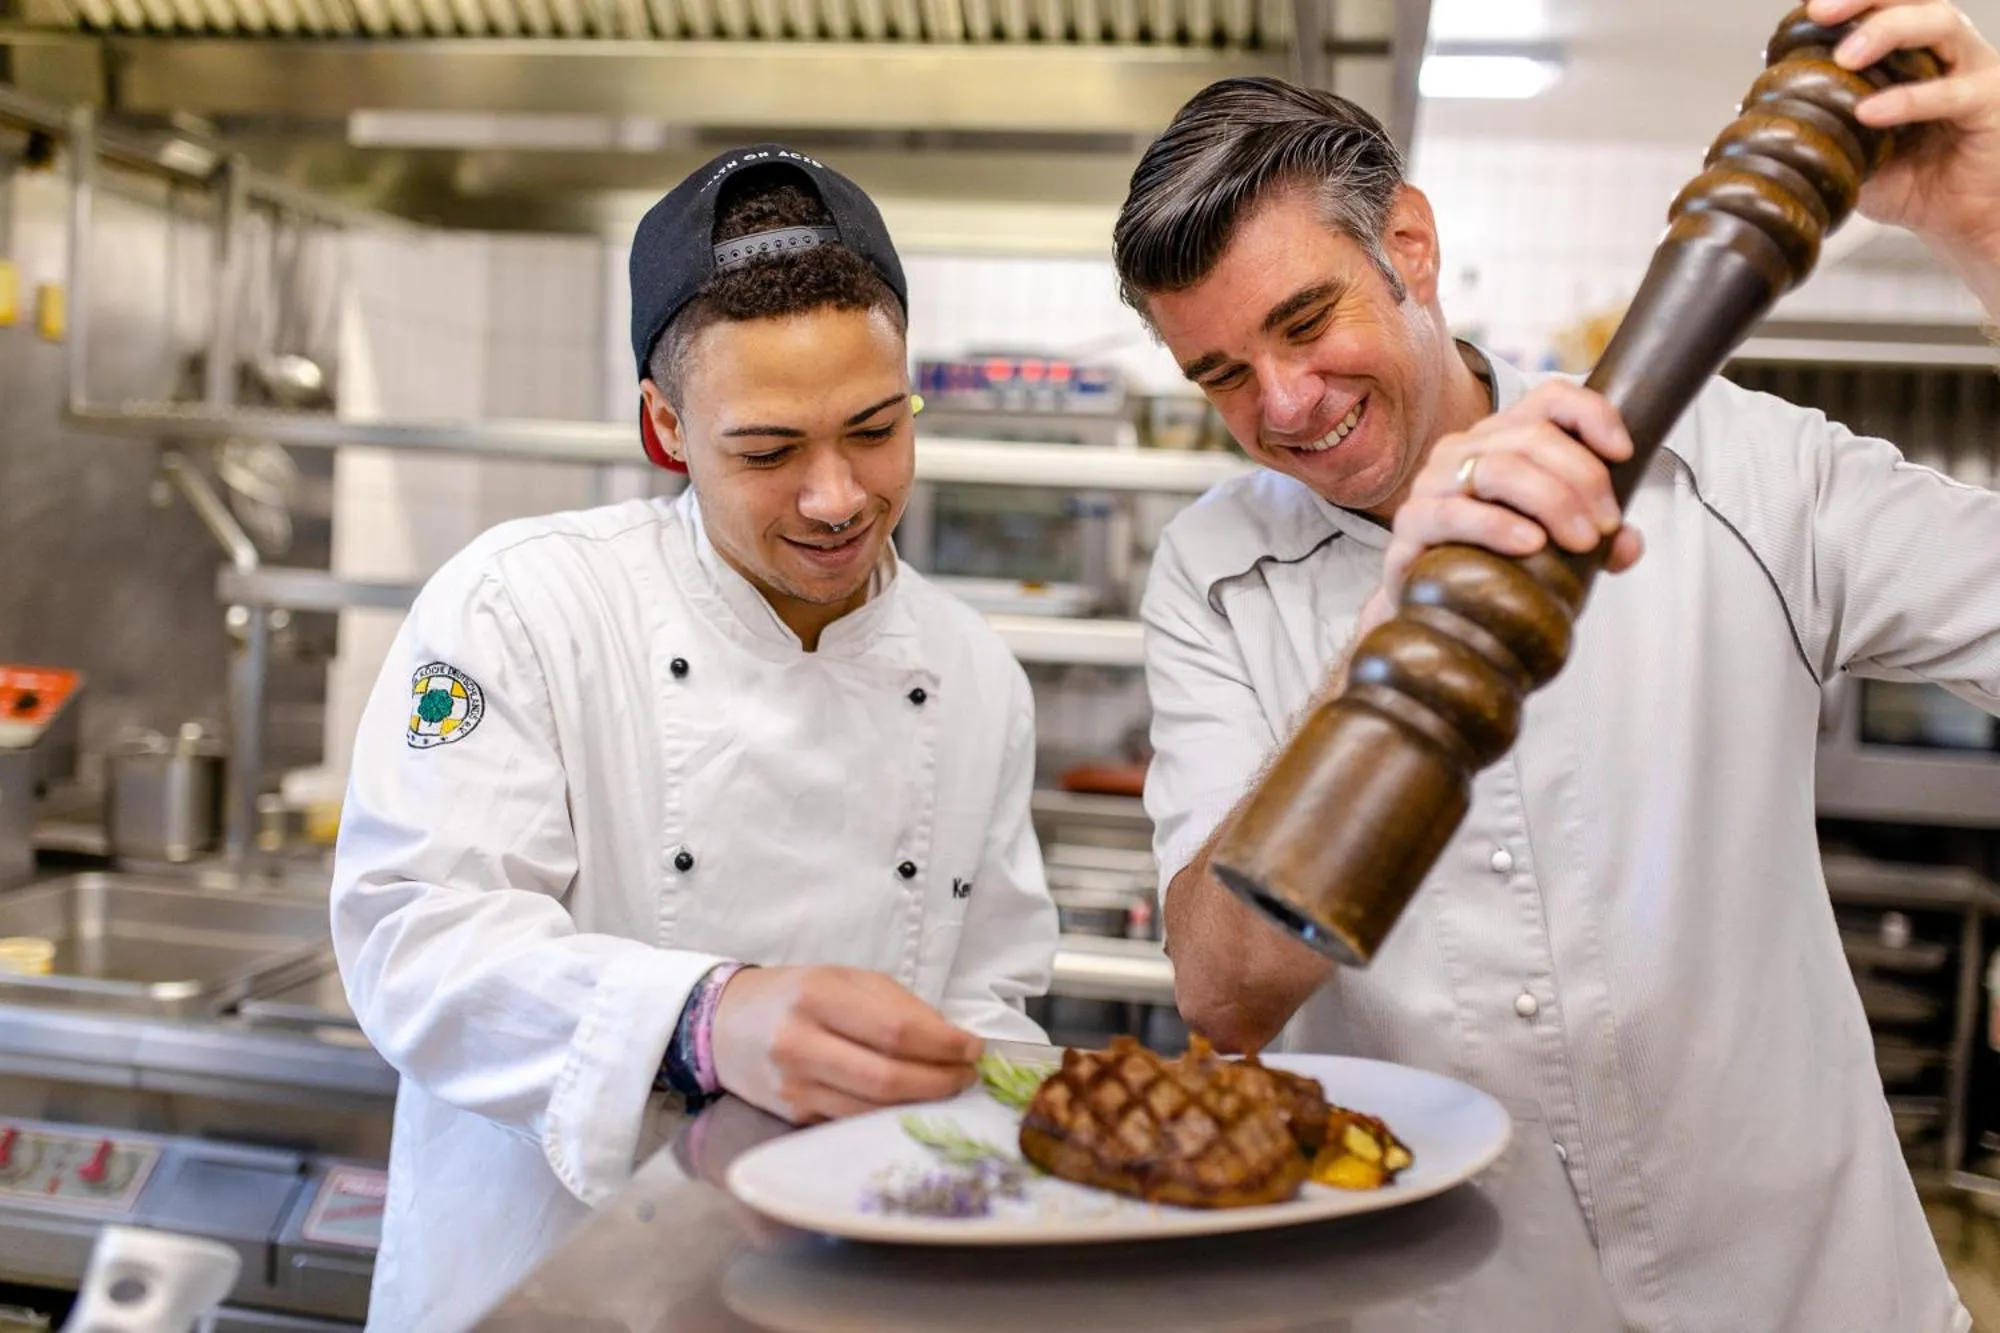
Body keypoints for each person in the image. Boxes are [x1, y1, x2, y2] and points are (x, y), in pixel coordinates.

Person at [1117, 1, 2000, 1329]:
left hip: (1812, 1296)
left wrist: (1985, 225)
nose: (1285, 406)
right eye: (1225, 375)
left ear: (1407, 244)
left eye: (1308, 323)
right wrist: (1382, 644)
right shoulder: (1213, 575)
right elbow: (1223, 991)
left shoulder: (1734, 469)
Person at [330, 144, 1059, 1332]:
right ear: (666, 428)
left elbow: (986, 999)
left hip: (857, 1291)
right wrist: (702, 1021)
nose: (837, 496)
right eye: (768, 451)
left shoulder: (971, 670)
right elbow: (416, 943)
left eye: (874, 429)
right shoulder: (523, 607)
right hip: (551, 1290)